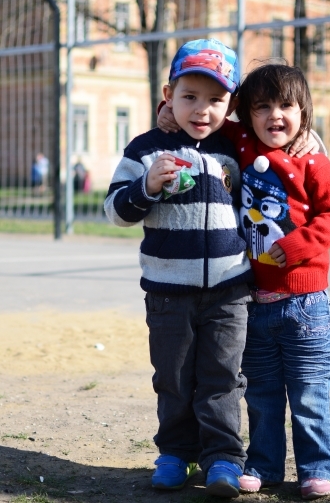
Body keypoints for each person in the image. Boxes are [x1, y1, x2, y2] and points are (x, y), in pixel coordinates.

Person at [104, 38, 255, 498]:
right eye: (189, 96)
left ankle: (223, 458)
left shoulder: (235, 146)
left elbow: (283, 141)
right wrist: (146, 188)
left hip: (230, 291)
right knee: (173, 378)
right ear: (168, 96)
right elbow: (114, 211)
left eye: (215, 100)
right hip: (168, 293)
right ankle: (174, 453)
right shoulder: (146, 148)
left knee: (223, 378)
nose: (201, 109)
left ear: (231, 106)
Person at [223, 62, 330, 500]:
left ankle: (317, 468)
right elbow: (208, 116)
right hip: (256, 303)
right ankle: (264, 465)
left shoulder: (312, 160)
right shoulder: (241, 145)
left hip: (305, 303)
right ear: (246, 114)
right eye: (262, 107)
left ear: (303, 113)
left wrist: (298, 245)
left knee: (309, 393)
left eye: (287, 106)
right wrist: (167, 110)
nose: (275, 115)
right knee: (261, 394)